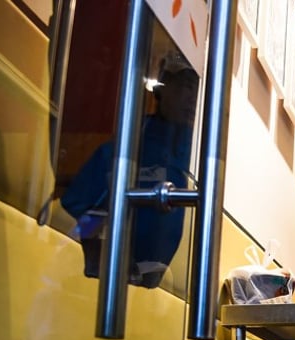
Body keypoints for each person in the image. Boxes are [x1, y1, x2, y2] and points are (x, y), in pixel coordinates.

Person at [61, 50, 198, 288]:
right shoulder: (130, 142)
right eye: (185, 86)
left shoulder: (199, 153)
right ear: (161, 88)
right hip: (114, 284)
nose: (192, 98)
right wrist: (97, 249)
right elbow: (80, 208)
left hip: (163, 289)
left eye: (196, 89)